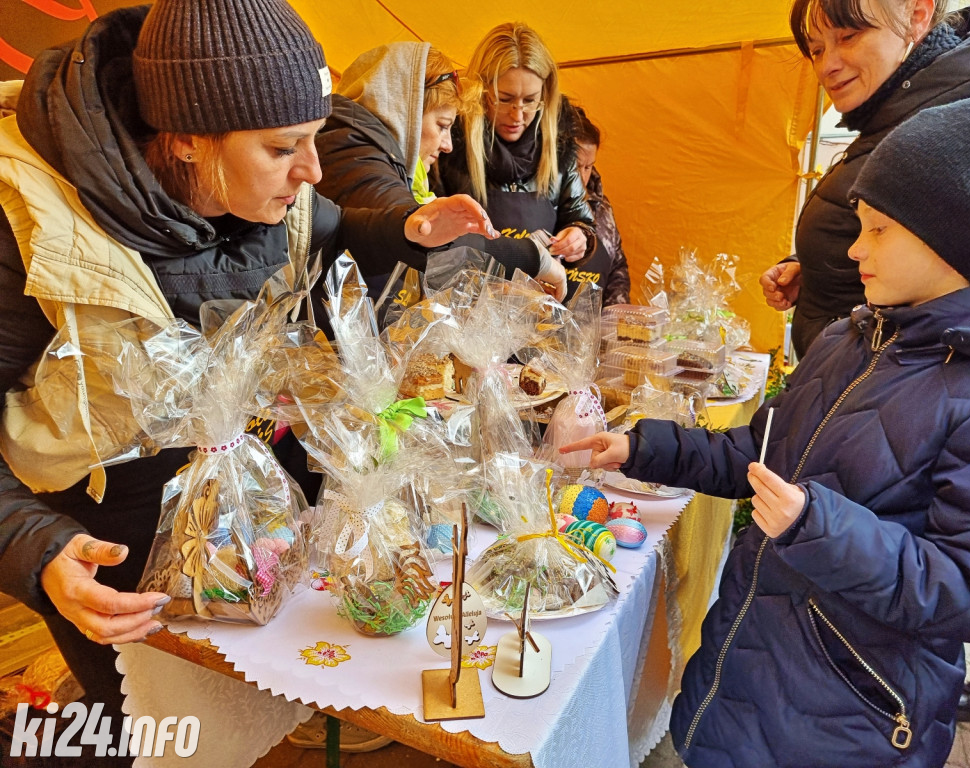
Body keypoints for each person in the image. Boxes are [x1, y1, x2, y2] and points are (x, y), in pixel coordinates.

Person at [0, 0, 496, 731]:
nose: (313, 169)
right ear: (191, 140)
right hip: (113, 544)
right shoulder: (25, 218)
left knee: (281, 715)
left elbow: (329, 230)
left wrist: (405, 228)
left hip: (256, 509)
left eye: (314, 138)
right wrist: (33, 548)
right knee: (172, 732)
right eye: (281, 147)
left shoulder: (274, 194)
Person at [563, 93, 970, 768]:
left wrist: (819, 527)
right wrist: (642, 445)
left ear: (954, 235)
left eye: (879, 230)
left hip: (851, 719)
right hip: (747, 669)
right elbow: (761, 454)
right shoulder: (847, 339)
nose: (855, 248)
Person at [759, 0, 970, 358]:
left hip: (882, 394)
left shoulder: (957, 126)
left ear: (917, 15)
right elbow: (922, 247)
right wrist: (819, 269)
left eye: (849, 36)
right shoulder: (895, 108)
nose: (827, 65)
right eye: (817, 49)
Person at [316, 41, 567, 299]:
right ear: (406, 113)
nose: (447, 145)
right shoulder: (350, 149)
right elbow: (430, 238)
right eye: (442, 125)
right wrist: (534, 257)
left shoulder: (369, 150)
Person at [436, 22, 597, 291]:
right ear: (481, 92)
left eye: (530, 100)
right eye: (504, 98)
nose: (518, 115)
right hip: (468, 306)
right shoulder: (450, 149)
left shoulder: (559, 148)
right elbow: (437, 242)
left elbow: (580, 219)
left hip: (540, 305)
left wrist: (580, 237)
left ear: (545, 94)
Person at [568, 104, 630, 304]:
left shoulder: (601, 207)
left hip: (593, 331)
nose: (583, 176)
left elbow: (617, 267)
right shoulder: (537, 207)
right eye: (576, 166)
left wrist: (614, 319)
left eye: (589, 166)